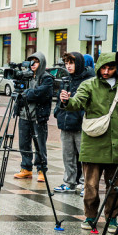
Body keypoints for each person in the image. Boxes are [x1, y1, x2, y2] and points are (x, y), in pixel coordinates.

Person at [60, 52, 118, 232]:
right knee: (90, 185)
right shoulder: (89, 85)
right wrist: (67, 101)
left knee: (116, 186)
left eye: (110, 68)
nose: (106, 71)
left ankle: (112, 218)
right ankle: (90, 216)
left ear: (117, 68)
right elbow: (77, 103)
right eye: (103, 67)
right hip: (93, 143)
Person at [53, 52, 93, 194]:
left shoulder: (89, 80)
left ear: (79, 64)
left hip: (81, 125)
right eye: (66, 63)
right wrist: (58, 112)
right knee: (67, 155)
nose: (68, 66)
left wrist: (81, 115)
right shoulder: (66, 80)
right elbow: (59, 99)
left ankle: (84, 183)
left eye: (71, 63)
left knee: (84, 156)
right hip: (66, 123)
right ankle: (69, 182)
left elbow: (89, 102)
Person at [13, 52, 53, 182]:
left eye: (36, 61)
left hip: (38, 116)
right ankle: (26, 168)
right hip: (24, 115)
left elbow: (41, 93)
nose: (33, 64)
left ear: (41, 63)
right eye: (31, 61)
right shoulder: (26, 76)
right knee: (24, 143)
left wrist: (27, 93)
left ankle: (41, 170)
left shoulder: (46, 77)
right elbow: (19, 92)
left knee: (40, 144)